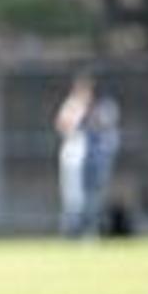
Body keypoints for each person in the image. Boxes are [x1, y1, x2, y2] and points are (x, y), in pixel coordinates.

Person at [55, 72, 121, 239]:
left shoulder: (103, 106)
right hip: (75, 160)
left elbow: (106, 128)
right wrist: (79, 112)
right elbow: (63, 125)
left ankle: (91, 231)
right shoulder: (72, 105)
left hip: (95, 160)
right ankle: (71, 232)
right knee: (74, 198)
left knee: (93, 197)